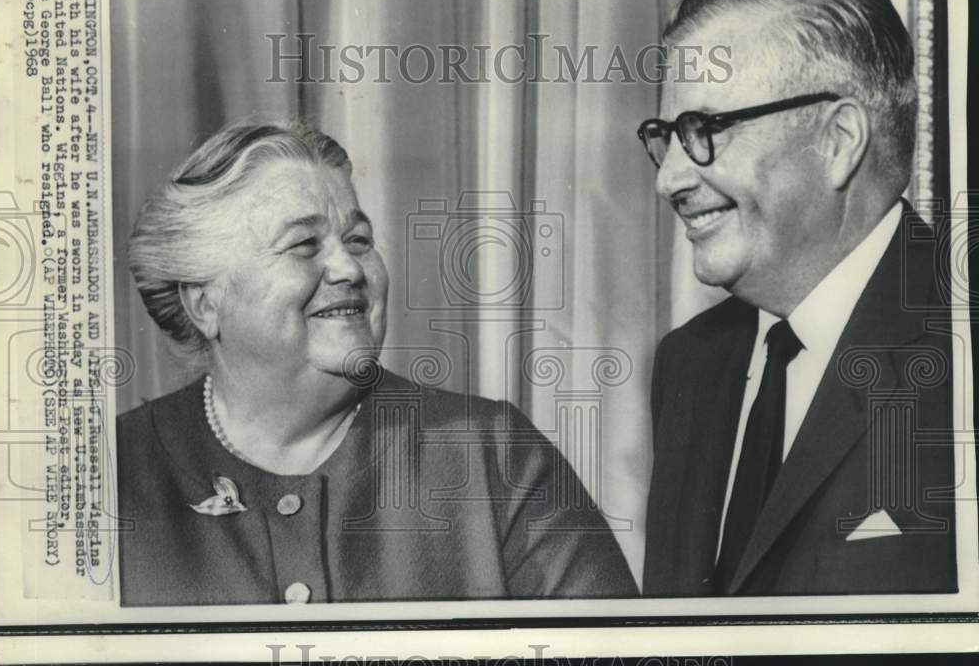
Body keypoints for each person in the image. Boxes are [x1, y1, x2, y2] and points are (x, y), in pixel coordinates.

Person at [118, 121, 637, 605]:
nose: (348, 267)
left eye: (359, 240)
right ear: (205, 304)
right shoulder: (112, 471)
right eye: (303, 245)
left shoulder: (494, 456)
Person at [638, 0, 956, 596]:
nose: (668, 178)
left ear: (837, 141)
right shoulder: (688, 364)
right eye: (667, 137)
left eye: (706, 131)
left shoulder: (964, 349)